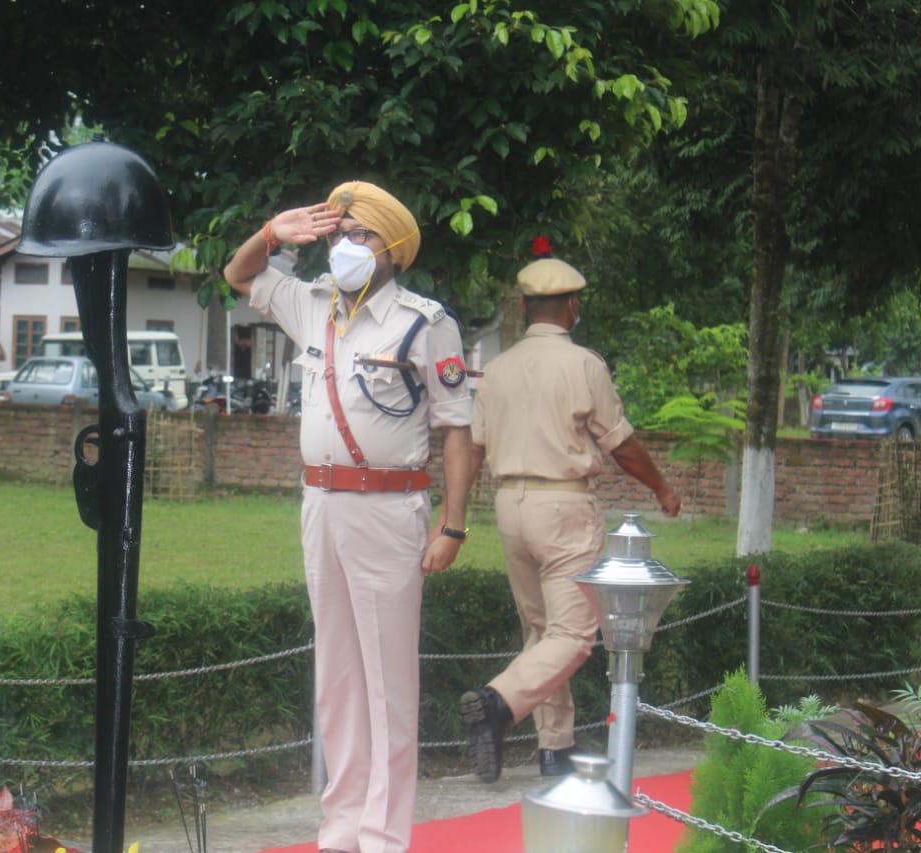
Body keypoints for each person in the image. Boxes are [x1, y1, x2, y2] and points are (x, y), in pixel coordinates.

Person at [222, 181, 473, 853]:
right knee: (336, 676)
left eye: (360, 236)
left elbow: (457, 430)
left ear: (392, 249)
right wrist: (274, 233)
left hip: (390, 508)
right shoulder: (313, 306)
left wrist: (453, 523)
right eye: (339, 236)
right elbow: (239, 273)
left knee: (388, 682)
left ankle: (384, 836)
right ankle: (340, 829)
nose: (345, 248)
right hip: (322, 503)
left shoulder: (424, 321)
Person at [459, 242, 681, 784]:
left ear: (521, 309)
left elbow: (472, 448)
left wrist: (454, 516)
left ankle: (554, 747)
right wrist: (661, 487)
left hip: (509, 504)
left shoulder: (497, 369)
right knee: (576, 635)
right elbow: (621, 444)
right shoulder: (584, 365)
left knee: (541, 629)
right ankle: (497, 702)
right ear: (573, 308)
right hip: (563, 503)